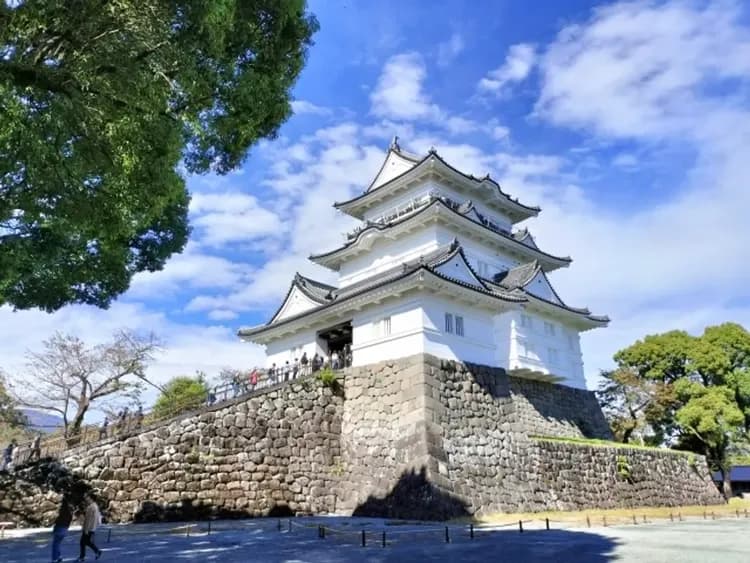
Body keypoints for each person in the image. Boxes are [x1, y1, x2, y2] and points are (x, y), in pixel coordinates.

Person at [78, 493, 102, 561]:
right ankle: (96, 551)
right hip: (92, 527)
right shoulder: (95, 506)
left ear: (91, 498)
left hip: (88, 528)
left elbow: (88, 519)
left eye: (87, 497)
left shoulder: (91, 507)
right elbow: (97, 518)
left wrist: (86, 529)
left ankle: (82, 557)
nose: (86, 499)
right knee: (86, 542)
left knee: (83, 542)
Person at [51, 494, 73, 563]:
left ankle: (55, 559)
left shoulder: (62, 512)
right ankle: (59, 557)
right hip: (65, 529)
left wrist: (55, 525)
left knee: (55, 544)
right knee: (58, 544)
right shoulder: (69, 513)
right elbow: (70, 520)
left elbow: (58, 521)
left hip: (59, 528)